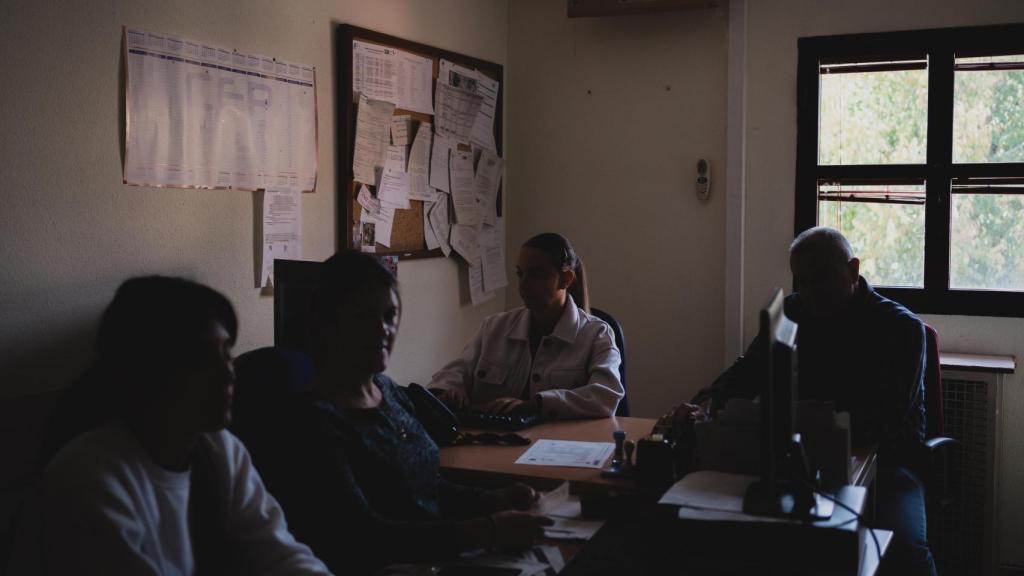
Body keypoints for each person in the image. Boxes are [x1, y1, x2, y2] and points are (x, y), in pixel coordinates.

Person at [245, 251, 553, 576]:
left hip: (437, 561)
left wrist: (494, 499)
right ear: (326, 322)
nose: (382, 329)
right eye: (362, 316)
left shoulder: (388, 391)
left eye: (390, 315)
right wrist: (487, 530)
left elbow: (424, 487)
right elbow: (365, 536)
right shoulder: (308, 423)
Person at [8, 276, 330, 575]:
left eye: (227, 351)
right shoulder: (89, 477)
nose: (228, 372)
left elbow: (278, 553)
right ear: (148, 368)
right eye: (203, 356)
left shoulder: (220, 449)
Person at [664, 227, 935, 576]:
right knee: (721, 538)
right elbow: (747, 372)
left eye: (821, 279)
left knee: (903, 553)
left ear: (853, 270)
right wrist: (704, 404)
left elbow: (885, 421)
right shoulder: (792, 312)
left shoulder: (900, 329)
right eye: (800, 281)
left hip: (888, 468)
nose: (809, 292)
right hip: (800, 461)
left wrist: (817, 428)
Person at [429, 233, 623, 419]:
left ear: (566, 279)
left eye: (535, 275)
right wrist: (448, 393)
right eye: (520, 274)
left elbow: (605, 397)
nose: (523, 285)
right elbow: (451, 375)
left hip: (559, 446)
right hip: (492, 442)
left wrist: (536, 405)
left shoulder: (596, 334)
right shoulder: (494, 327)